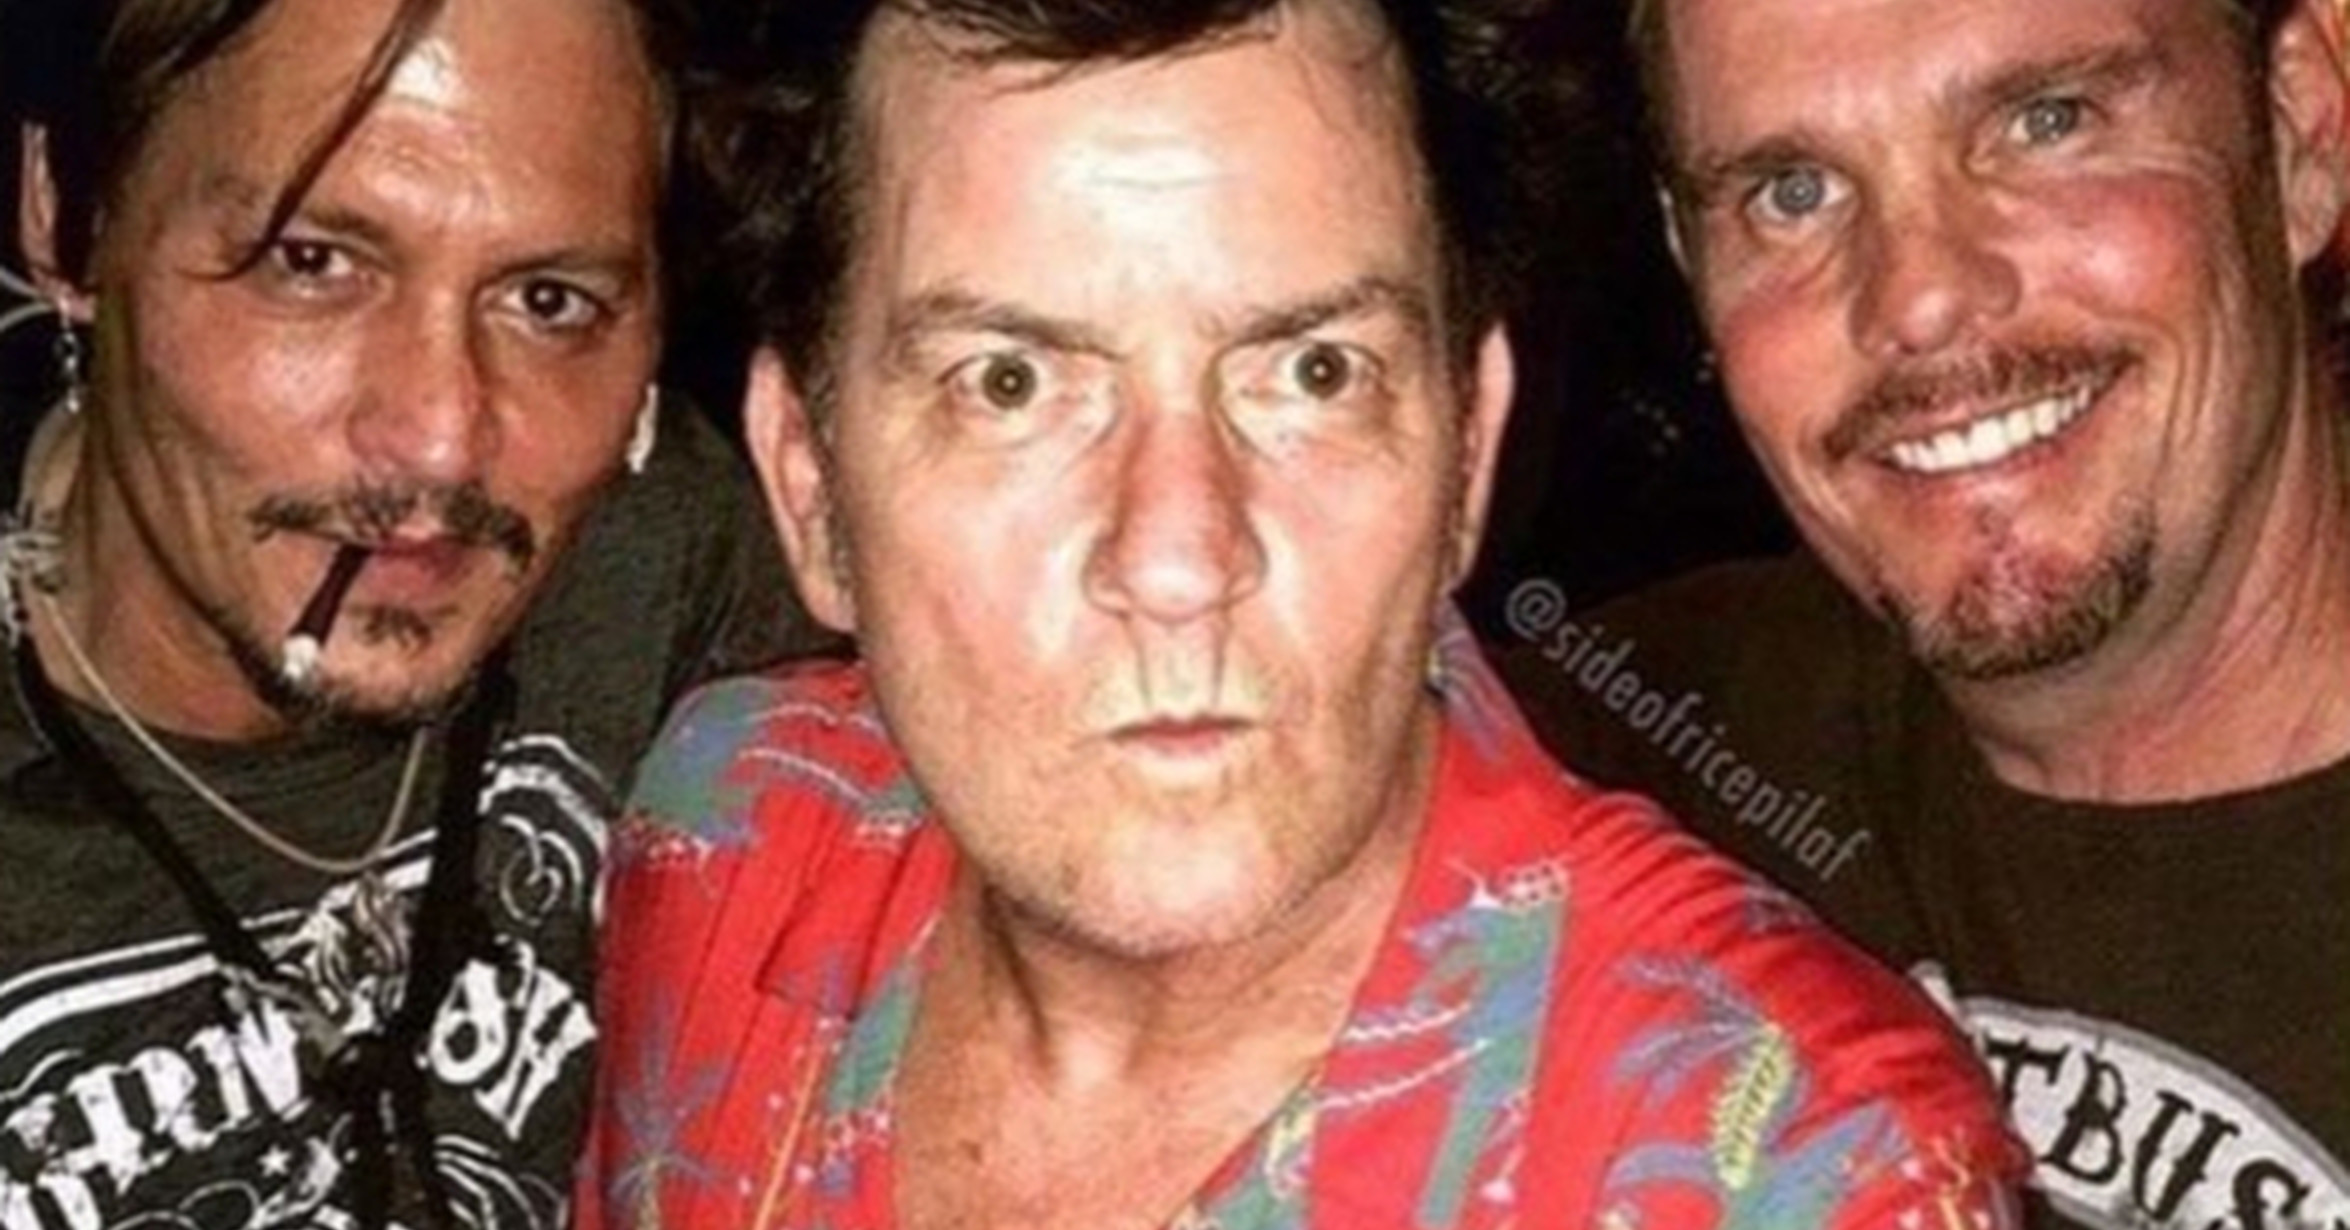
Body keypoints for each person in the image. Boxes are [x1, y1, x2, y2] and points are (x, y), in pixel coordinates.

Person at [578, 1, 2027, 1226]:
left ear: (1466, 456)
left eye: (1314, 372)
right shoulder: (726, 828)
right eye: (1009, 384)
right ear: (811, 491)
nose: (1177, 556)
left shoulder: (1806, 1173)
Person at [1499, 0, 2350, 1224]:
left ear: (2300, 133)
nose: (1919, 299)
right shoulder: (1588, 766)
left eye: (2046, 121)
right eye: (1792, 193)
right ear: (1690, 262)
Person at [0, 0, 820, 1224]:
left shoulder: (672, 571)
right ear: (68, 220)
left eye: (548, 300)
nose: (441, 438)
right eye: (312, 263)